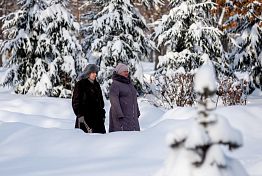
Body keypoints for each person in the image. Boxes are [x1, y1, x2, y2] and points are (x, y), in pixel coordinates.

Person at [72, 64, 106, 133]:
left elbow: (101, 101)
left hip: (98, 120)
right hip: (85, 119)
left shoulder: (97, 85)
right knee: (85, 141)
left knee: (100, 141)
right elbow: (76, 102)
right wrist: (79, 114)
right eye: (92, 72)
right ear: (88, 73)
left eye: (95, 72)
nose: (95, 74)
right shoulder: (80, 84)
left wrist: (102, 112)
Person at [109, 63, 140, 132]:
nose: (126, 73)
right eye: (124, 71)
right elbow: (114, 100)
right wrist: (119, 114)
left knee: (134, 134)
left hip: (131, 115)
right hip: (122, 116)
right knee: (123, 135)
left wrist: (137, 111)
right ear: (119, 72)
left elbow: (134, 98)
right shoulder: (115, 84)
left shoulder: (129, 83)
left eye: (127, 71)